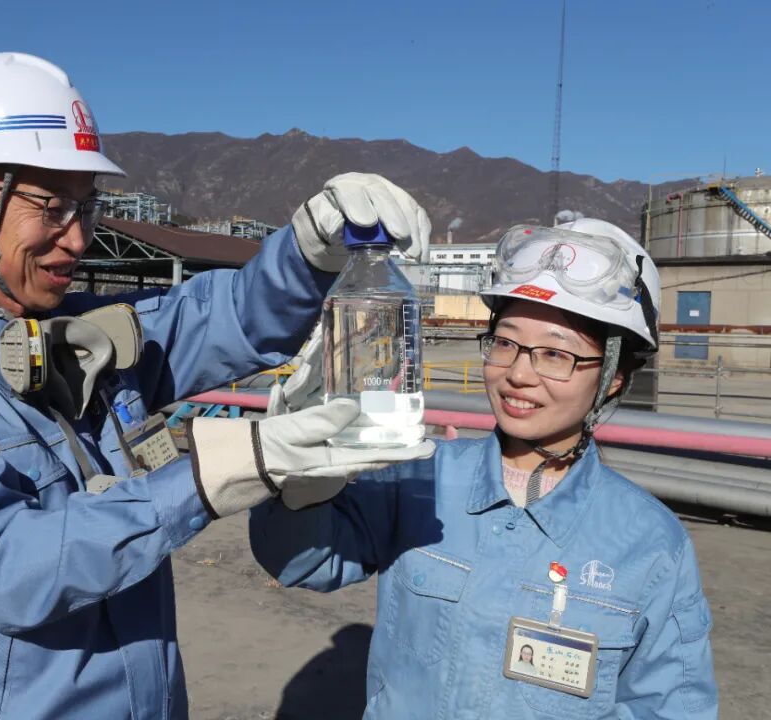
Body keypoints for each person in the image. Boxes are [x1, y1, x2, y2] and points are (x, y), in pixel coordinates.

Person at [0, 52, 433, 719]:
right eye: (51, 208)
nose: (77, 239)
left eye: (87, 206)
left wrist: (307, 248)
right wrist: (206, 477)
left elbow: (232, 316)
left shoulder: (94, 337)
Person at [250, 219, 719, 718]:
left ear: (614, 376)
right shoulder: (420, 478)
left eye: (555, 354)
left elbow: (670, 708)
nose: (518, 373)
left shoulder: (650, 544)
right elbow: (300, 561)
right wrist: (299, 490)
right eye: (505, 342)